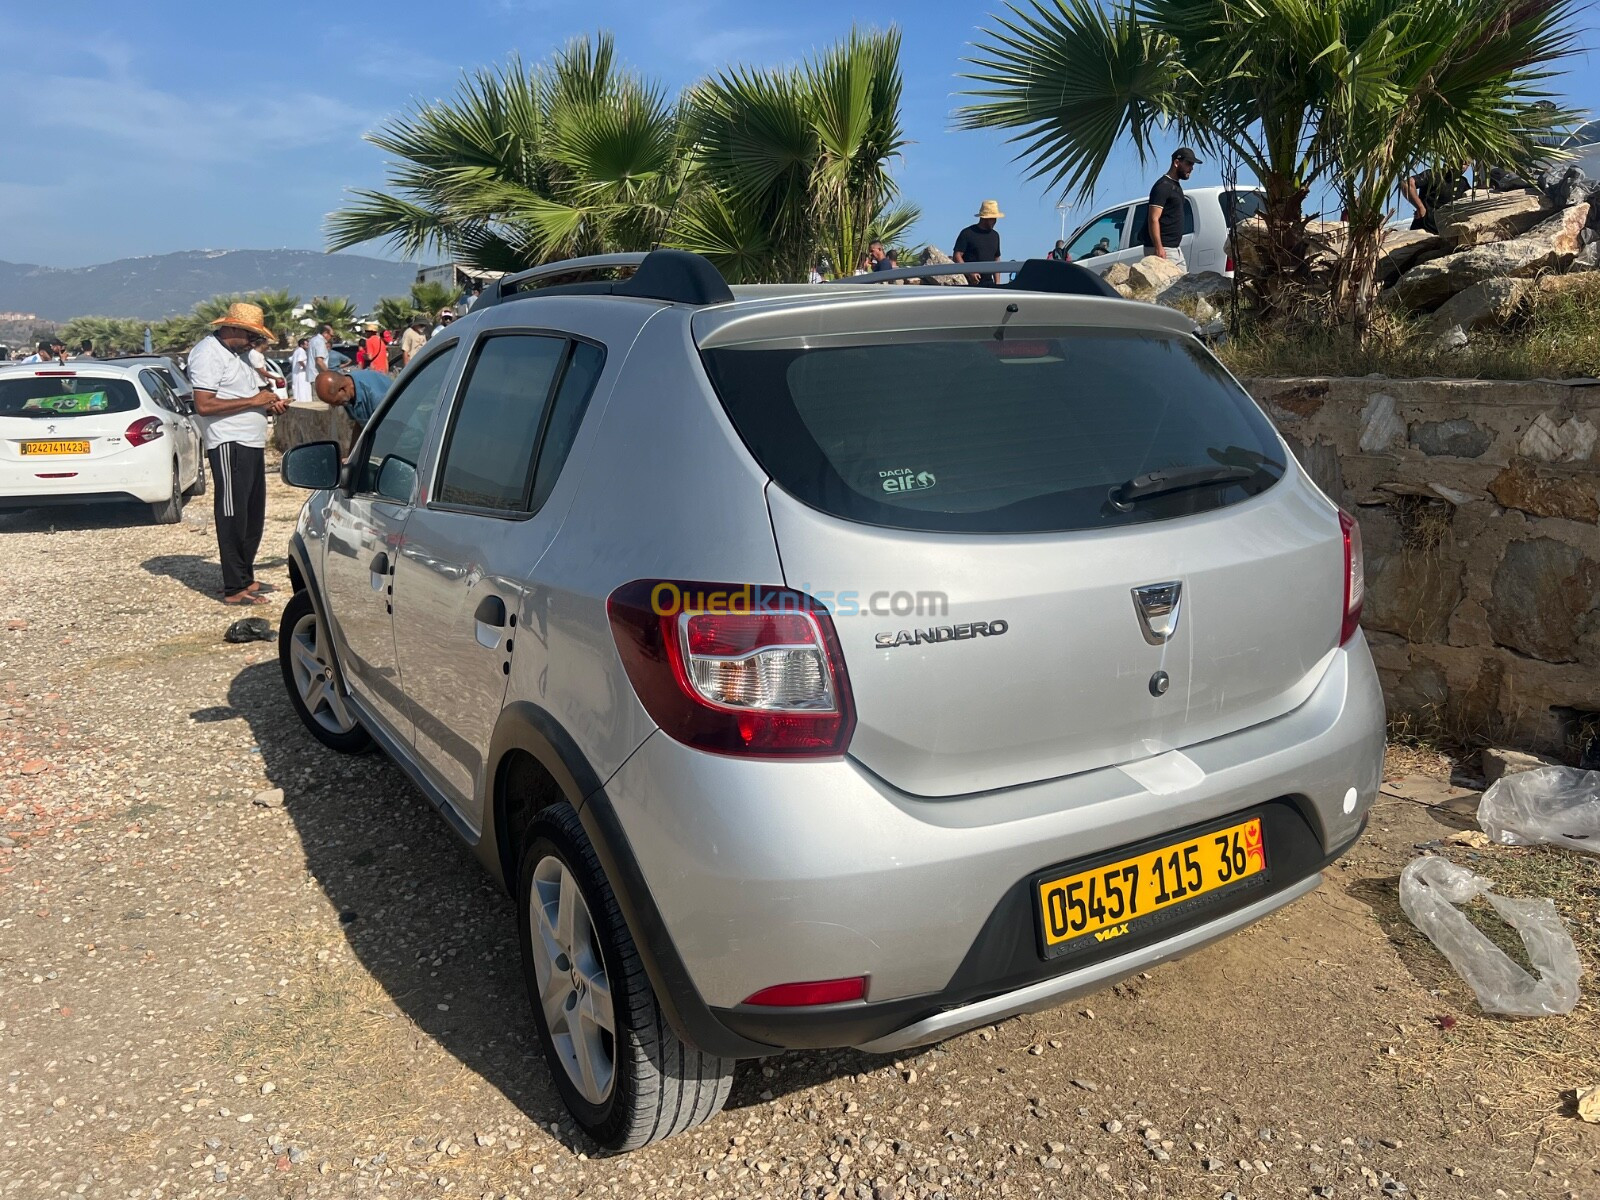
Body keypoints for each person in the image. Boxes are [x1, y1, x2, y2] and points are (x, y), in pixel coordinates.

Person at [187, 302, 286, 606]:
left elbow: (244, 398)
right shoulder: (207, 353)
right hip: (229, 443)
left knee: (252, 516)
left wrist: (267, 404)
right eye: (250, 336)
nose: (253, 343)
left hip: (250, 442)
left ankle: (245, 575)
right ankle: (234, 587)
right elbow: (204, 404)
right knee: (232, 514)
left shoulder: (235, 356)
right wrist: (255, 400)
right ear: (231, 329)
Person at [1144, 147, 1200, 272]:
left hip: (1175, 248)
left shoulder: (1176, 186)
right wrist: (1159, 248)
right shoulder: (1163, 186)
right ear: (1176, 163)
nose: (1191, 168)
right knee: (1168, 289)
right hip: (1164, 248)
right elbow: (1153, 218)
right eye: (1189, 164)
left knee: (1183, 287)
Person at [313, 367, 390, 434]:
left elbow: (388, 430)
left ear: (342, 389)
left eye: (335, 402)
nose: (334, 406)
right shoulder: (347, 395)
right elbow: (359, 425)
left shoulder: (376, 397)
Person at [1402, 163, 1470, 234]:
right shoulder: (1433, 174)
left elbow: (1472, 199)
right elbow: (1407, 184)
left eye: (1466, 164)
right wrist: (1420, 207)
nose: (1462, 166)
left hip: (1446, 235)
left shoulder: (1463, 182)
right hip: (1423, 231)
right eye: (1460, 161)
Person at [953, 199, 1004, 285]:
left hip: (989, 284)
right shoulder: (967, 233)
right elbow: (957, 256)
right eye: (992, 218)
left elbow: (996, 259)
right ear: (984, 218)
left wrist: (997, 283)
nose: (995, 221)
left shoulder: (995, 236)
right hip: (969, 284)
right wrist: (969, 273)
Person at [289, 337, 312, 405]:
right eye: (306, 345)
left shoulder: (296, 351)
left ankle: (300, 401)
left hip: (297, 374)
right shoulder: (301, 351)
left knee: (298, 388)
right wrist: (306, 368)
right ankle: (304, 402)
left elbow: (290, 359)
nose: (307, 346)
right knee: (303, 388)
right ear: (302, 345)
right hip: (301, 373)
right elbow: (300, 360)